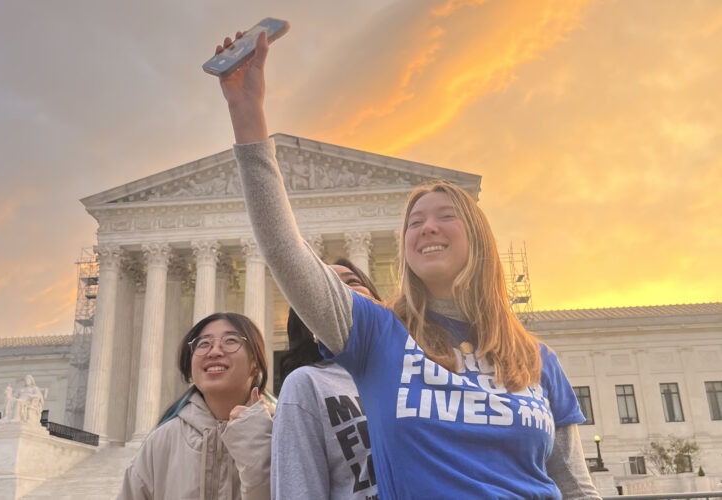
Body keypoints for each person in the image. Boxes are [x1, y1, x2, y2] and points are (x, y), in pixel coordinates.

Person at [217, 31, 599, 499]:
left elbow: (575, 485)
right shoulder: (380, 338)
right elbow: (285, 251)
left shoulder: (536, 359)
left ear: (479, 238)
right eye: (414, 222)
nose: (427, 228)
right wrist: (246, 112)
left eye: (445, 216)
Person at [119, 312, 274, 500]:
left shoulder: (281, 433)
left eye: (231, 341)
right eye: (204, 344)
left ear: (255, 363)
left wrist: (257, 454)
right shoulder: (160, 442)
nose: (215, 351)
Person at [272, 259, 381, 500]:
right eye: (325, 286)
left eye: (353, 282)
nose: (341, 290)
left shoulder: (414, 372)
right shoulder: (306, 384)